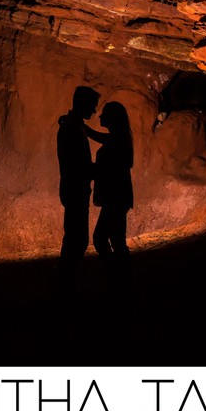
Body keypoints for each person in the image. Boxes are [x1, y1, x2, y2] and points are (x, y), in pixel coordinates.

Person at [56, 85, 100, 291]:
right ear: (82, 104)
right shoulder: (72, 128)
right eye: (92, 106)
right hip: (75, 189)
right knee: (77, 238)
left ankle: (67, 282)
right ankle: (67, 284)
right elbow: (77, 165)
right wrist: (101, 170)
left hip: (74, 188)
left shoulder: (74, 125)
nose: (94, 111)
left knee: (75, 237)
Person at [84, 101, 134, 284]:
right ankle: (122, 279)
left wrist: (90, 169)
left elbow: (110, 167)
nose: (100, 116)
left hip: (115, 198)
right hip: (118, 197)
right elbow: (100, 137)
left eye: (104, 113)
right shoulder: (119, 138)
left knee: (102, 239)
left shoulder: (117, 140)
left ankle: (119, 278)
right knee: (116, 240)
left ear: (113, 118)